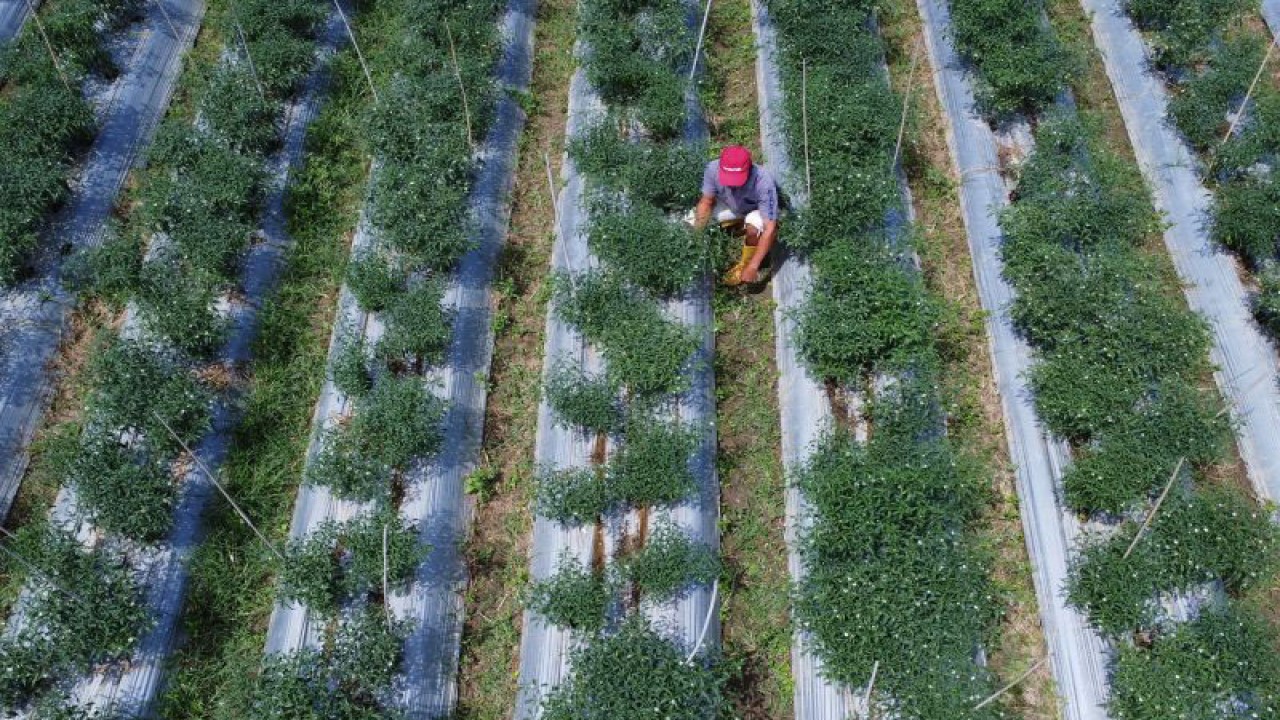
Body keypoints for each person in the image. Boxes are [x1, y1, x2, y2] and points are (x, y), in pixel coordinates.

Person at [691, 145, 780, 286]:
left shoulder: (763, 181)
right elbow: (706, 202)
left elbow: (770, 228)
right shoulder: (712, 169)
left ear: (749, 168)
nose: (733, 184)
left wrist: (753, 266)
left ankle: (746, 263)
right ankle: (736, 225)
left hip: (754, 209)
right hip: (729, 204)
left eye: (737, 179)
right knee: (692, 220)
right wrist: (697, 238)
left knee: (754, 229)